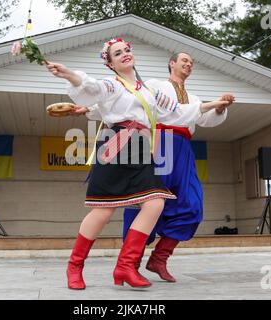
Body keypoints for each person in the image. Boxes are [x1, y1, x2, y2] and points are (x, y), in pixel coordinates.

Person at [47, 38, 232, 290]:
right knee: (103, 211)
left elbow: (179, 111)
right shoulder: (111, 85)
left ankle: (125, 264)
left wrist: (216, 104)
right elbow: (91, 87)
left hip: (142, 150)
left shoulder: (149, 91)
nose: (124, 54)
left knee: (155, 202)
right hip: (116, 145)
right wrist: (69, 74)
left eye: (126, 50)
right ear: (110, 63)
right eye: (117, 53)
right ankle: (75, 266)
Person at [122, 52, 235, 282]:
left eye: (191, 63)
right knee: (147, 201)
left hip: (183, 149)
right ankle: (129, 262)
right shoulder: (155, 85)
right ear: (172, 63)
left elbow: (205, 120)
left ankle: (159, 259)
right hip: (160, 144)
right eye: (184, 60)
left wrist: (220, 107)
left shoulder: (194, 98)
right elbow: (143, 103)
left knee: (193, 205)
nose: (188, 64)